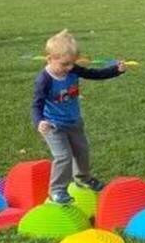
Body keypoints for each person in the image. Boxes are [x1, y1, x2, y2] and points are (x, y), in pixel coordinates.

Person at [32, 29, 125, 204]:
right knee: (63, 156)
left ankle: (83, 177)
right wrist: (39, 122)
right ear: (50, 58)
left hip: (74, 122)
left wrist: (116, 70)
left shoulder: (72, 70)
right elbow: (36, 104)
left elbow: (94, 74)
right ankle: (57, 190)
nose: (69, 68)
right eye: (64, 64)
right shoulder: (44, 80)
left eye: (72, 64)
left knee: (82, 152)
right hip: (53, 126)